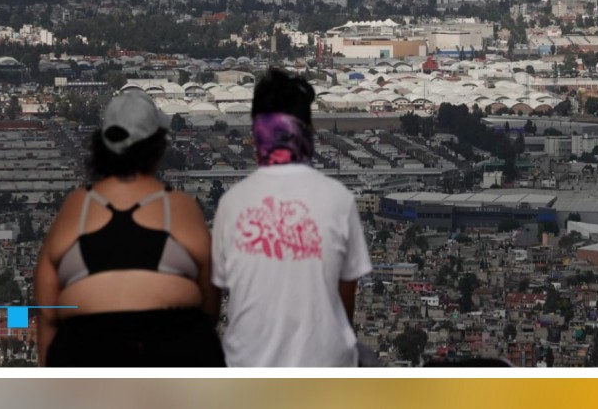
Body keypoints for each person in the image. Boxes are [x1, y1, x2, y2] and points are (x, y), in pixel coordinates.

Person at [34, 90, 224, 366]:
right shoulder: (179, 208)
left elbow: (48, 312)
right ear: (157, 147)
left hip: (87, 351)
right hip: (174, 349)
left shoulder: (76, 209)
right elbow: (210, 304)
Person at [211, 68, 372, 366]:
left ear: (256, 132)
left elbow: (218, 299)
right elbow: (344, 308)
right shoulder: (339, 200)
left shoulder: (231, 205)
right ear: (306, 131)